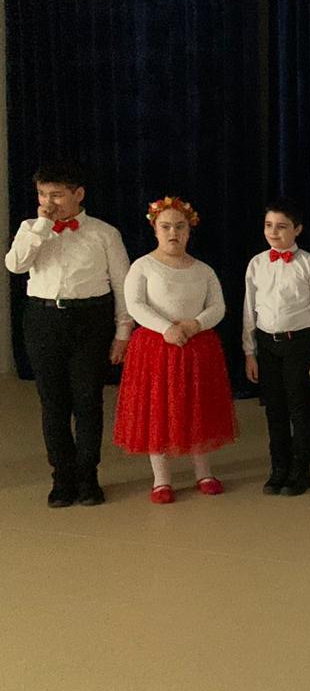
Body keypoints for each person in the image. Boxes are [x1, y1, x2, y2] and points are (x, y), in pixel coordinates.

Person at [5, 164, 130, 507]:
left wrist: (122, 332)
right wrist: (41, 228)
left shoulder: (105, 233)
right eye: (43, 195)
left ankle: (88, 476)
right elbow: (15, 265)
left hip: (91, 319)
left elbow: (123, 285)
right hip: (43, 318)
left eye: (57, 195)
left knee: (88, 401)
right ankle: (62, 476)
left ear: (78, 194)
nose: (49, 203)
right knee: (53, 403)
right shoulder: (30, 228)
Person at [113, 197, 238, 503]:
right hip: (156, 348)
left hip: (196, 347)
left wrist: (196, 324)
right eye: (166, 226)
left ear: (189, 230)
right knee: (157, 409)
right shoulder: (143, 266)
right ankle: (162, 478)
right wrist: (166, 328)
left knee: (197, 408)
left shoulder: (203, 270)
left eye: (180, 227)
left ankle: (203, 471)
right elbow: (135, 305)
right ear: (155, 229)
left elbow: (218, 306)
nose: (173, 233)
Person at [243, 198, 310, 496]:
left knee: (299, 408)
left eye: (281, 226)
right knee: (274, 409)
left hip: (299, 343)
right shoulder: (256, 263)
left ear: (297, 229)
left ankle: (300, 470)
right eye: (268, 225)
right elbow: (249, 310)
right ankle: (278, 468)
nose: (273, 232)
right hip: (267, 344)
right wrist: (249, 352)